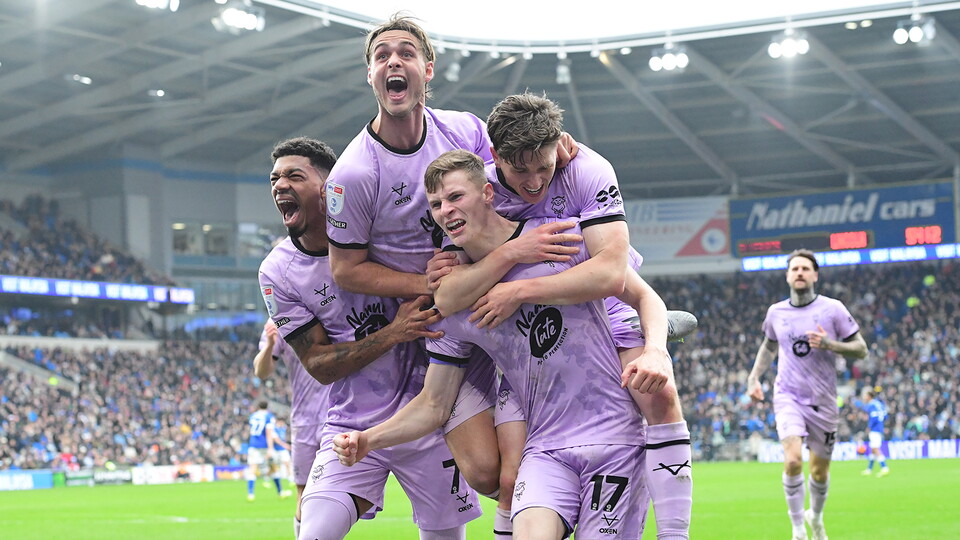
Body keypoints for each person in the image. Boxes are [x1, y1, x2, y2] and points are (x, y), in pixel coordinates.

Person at [324, 14, 579, 535]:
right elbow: (344, 270)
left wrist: (553, 146)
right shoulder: (353, 173)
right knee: (486, 473)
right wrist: (427, 282)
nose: (393, 62)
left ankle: (642, 331)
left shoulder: (463, 129)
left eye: (406, 53)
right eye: (381, 56)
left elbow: (514, 171)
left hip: (497, 303)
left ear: (428, 69)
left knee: (518, 473)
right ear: (369, 75)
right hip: (443, 326)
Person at [335, 150, 652, 539]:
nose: (445, 211)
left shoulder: (555, 236)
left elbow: (638, 292)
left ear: (488, 193)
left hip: (613, 437)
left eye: (455, 197)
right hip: (545, 448)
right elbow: (434, 403)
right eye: (436, 204)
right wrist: (369, 439)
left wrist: (655, 347)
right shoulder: (454, 306)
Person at [425, 93, 694, 539]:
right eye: (520, 170)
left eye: (543, 167)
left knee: (657, 395)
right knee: (503, 477)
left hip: (597, 297)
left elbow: (610, 272)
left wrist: (518, 291)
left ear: (560, 146)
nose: (533, 182)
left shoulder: (588, 169)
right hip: (525, 335)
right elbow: (450, 284)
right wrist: (493, 259)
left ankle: (674, 535)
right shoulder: (476, 191)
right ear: (495, 161)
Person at [258, 136, 481, 540]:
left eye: (294, 175)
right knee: (313, 533)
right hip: (350, 422)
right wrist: (393, 333)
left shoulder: (382, 232)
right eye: (275, 179)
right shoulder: (278, 272)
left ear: (329, 189)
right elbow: (319, 365)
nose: (280, 185)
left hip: (426, 415)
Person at [747, 249, 868, 540]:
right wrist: (753, 378)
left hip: (824, 400)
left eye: (805, 268)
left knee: (819, 473)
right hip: (788, 395)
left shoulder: (833, 309)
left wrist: (830, 344)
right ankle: (798, 528)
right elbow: (769, 346)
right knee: (792, 461)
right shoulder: (776, 312)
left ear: (815, 275)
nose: (799, 273)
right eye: (794, 269)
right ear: (788, 276)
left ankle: (815, 516)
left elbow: (861, 349)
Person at [253, 317, 328, 529]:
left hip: (337, 417)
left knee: (335, 492)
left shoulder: (331, 308)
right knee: (304, 493)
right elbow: (261, 371)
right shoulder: (280, 321)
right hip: (304, 421)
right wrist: (269, 344)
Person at [245, 401, 282, 501]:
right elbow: (269, 432)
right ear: (267, 406)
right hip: (265, 445)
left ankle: (250, 494)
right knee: (273, 467)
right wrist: (270, 448)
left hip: (253, 444)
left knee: (252, 468)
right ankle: (280, 492)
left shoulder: (252, 416)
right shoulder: (269, 416)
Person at [854, 386, 890, 477]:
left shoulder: (871, 405)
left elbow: (874, 417)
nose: (864, 397)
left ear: (869, 396)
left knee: (875, 448)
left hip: (875, 429)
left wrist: (869, 427)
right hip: (879, 428)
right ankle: (869, 469)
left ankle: (884, 467)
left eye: (865, 395)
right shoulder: (879, 404)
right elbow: (885, 416)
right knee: (873, 450)